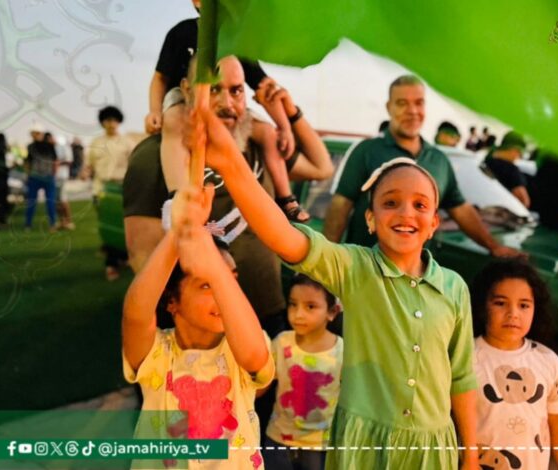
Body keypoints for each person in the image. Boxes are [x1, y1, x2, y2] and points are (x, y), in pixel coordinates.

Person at [198, 86, 480, 468]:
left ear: (433, 224)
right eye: (390, 202)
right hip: (362, 447)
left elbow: (462, 377)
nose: (405, 213)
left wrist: (470, 455)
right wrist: (231, 165)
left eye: (420, 205)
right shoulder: (353, 267)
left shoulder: (454, 288)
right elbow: (283, 236)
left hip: (433, 451)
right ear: (370, 219)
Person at [124, 55, 333, 326]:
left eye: (236, 91)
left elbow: (322, 167)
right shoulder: (153, 155)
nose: (227, 103)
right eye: (213, 89)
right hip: (205, 326)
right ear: (187, 90)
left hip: (267, 312)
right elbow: (142, 256)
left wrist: (290, 112)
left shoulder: (257, 146)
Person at [122, 183, 274, 469]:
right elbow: (136, 313)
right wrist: (177, 233)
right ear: (172, 301)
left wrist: (213, 266)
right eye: (206, 284)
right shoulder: (156, 354)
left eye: (229, 281)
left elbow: (255, 358)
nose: (223, 292)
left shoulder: (243, 348)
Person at [324, 74, 520, 258]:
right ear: (389, 107)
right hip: (366, 268)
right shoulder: (366, 152)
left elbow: (460, 209)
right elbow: (340, 207)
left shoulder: (439, 160)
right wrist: (324, 262)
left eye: (418, 103)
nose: (412, 111)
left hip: (416, 275)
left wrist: (493, 246)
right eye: (402, 103)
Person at [146, 0, 309, 222]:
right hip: (185, 99)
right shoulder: (181, 33)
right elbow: (160, 78)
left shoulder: (238, 40)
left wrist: (284, 126)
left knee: (267, 133)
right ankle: (179, 196)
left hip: (225, 102)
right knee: (174, 119)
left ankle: (285, 198)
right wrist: (155, 111)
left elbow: (265, 87)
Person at [471, 259, 558, 470]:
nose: (513, 314)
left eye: (524, 305)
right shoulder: (466, 357)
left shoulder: (548, 360)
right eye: (500, 303)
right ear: (482, 306)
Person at [262, 274, 343, 470]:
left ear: (332, 312)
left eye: (310, 306)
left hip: (319, 446)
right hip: (278, 440)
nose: (298, 314)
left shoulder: (341, 351)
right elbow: (262, 384)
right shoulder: (281, 342)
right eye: (293, 304)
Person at [86, 105, 134, 280]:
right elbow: (89, 165)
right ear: (103, 122)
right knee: (108, 226)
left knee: (122, 226)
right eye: (107, 120)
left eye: (114, 120)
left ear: (119, 121)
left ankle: (118, 259)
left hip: (121, 189)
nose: (111, 123)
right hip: (101, 189)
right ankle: (112, 262)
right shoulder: (96, 143)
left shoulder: (128, 142)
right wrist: (85, 172)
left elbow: (135, 164)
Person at [482, 131, 531, 209]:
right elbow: (524, 201)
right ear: (514, 150)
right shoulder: (512, 171)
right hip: (498, 211)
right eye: (520, 153)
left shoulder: (485, 160)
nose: (519, 157)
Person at [24, 123, 58, 231]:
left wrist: (28, 174)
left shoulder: (32, 146)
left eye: (35, 133)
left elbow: (55, 161)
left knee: (40, 202)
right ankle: (50, 224)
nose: (33, 135)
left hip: (40, 177)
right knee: (43, 201)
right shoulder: (49, 145)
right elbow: (55, 161)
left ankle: (31, 224)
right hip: (42, 177)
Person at [47, 133, 75, 230]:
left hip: (62, 176)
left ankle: (69, 221)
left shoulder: (63, 146)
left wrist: (58, 163)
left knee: (63, 199)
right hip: (53, 177)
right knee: (56, 201)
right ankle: (62, 221)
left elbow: (69, 161)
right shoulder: (50, 149)